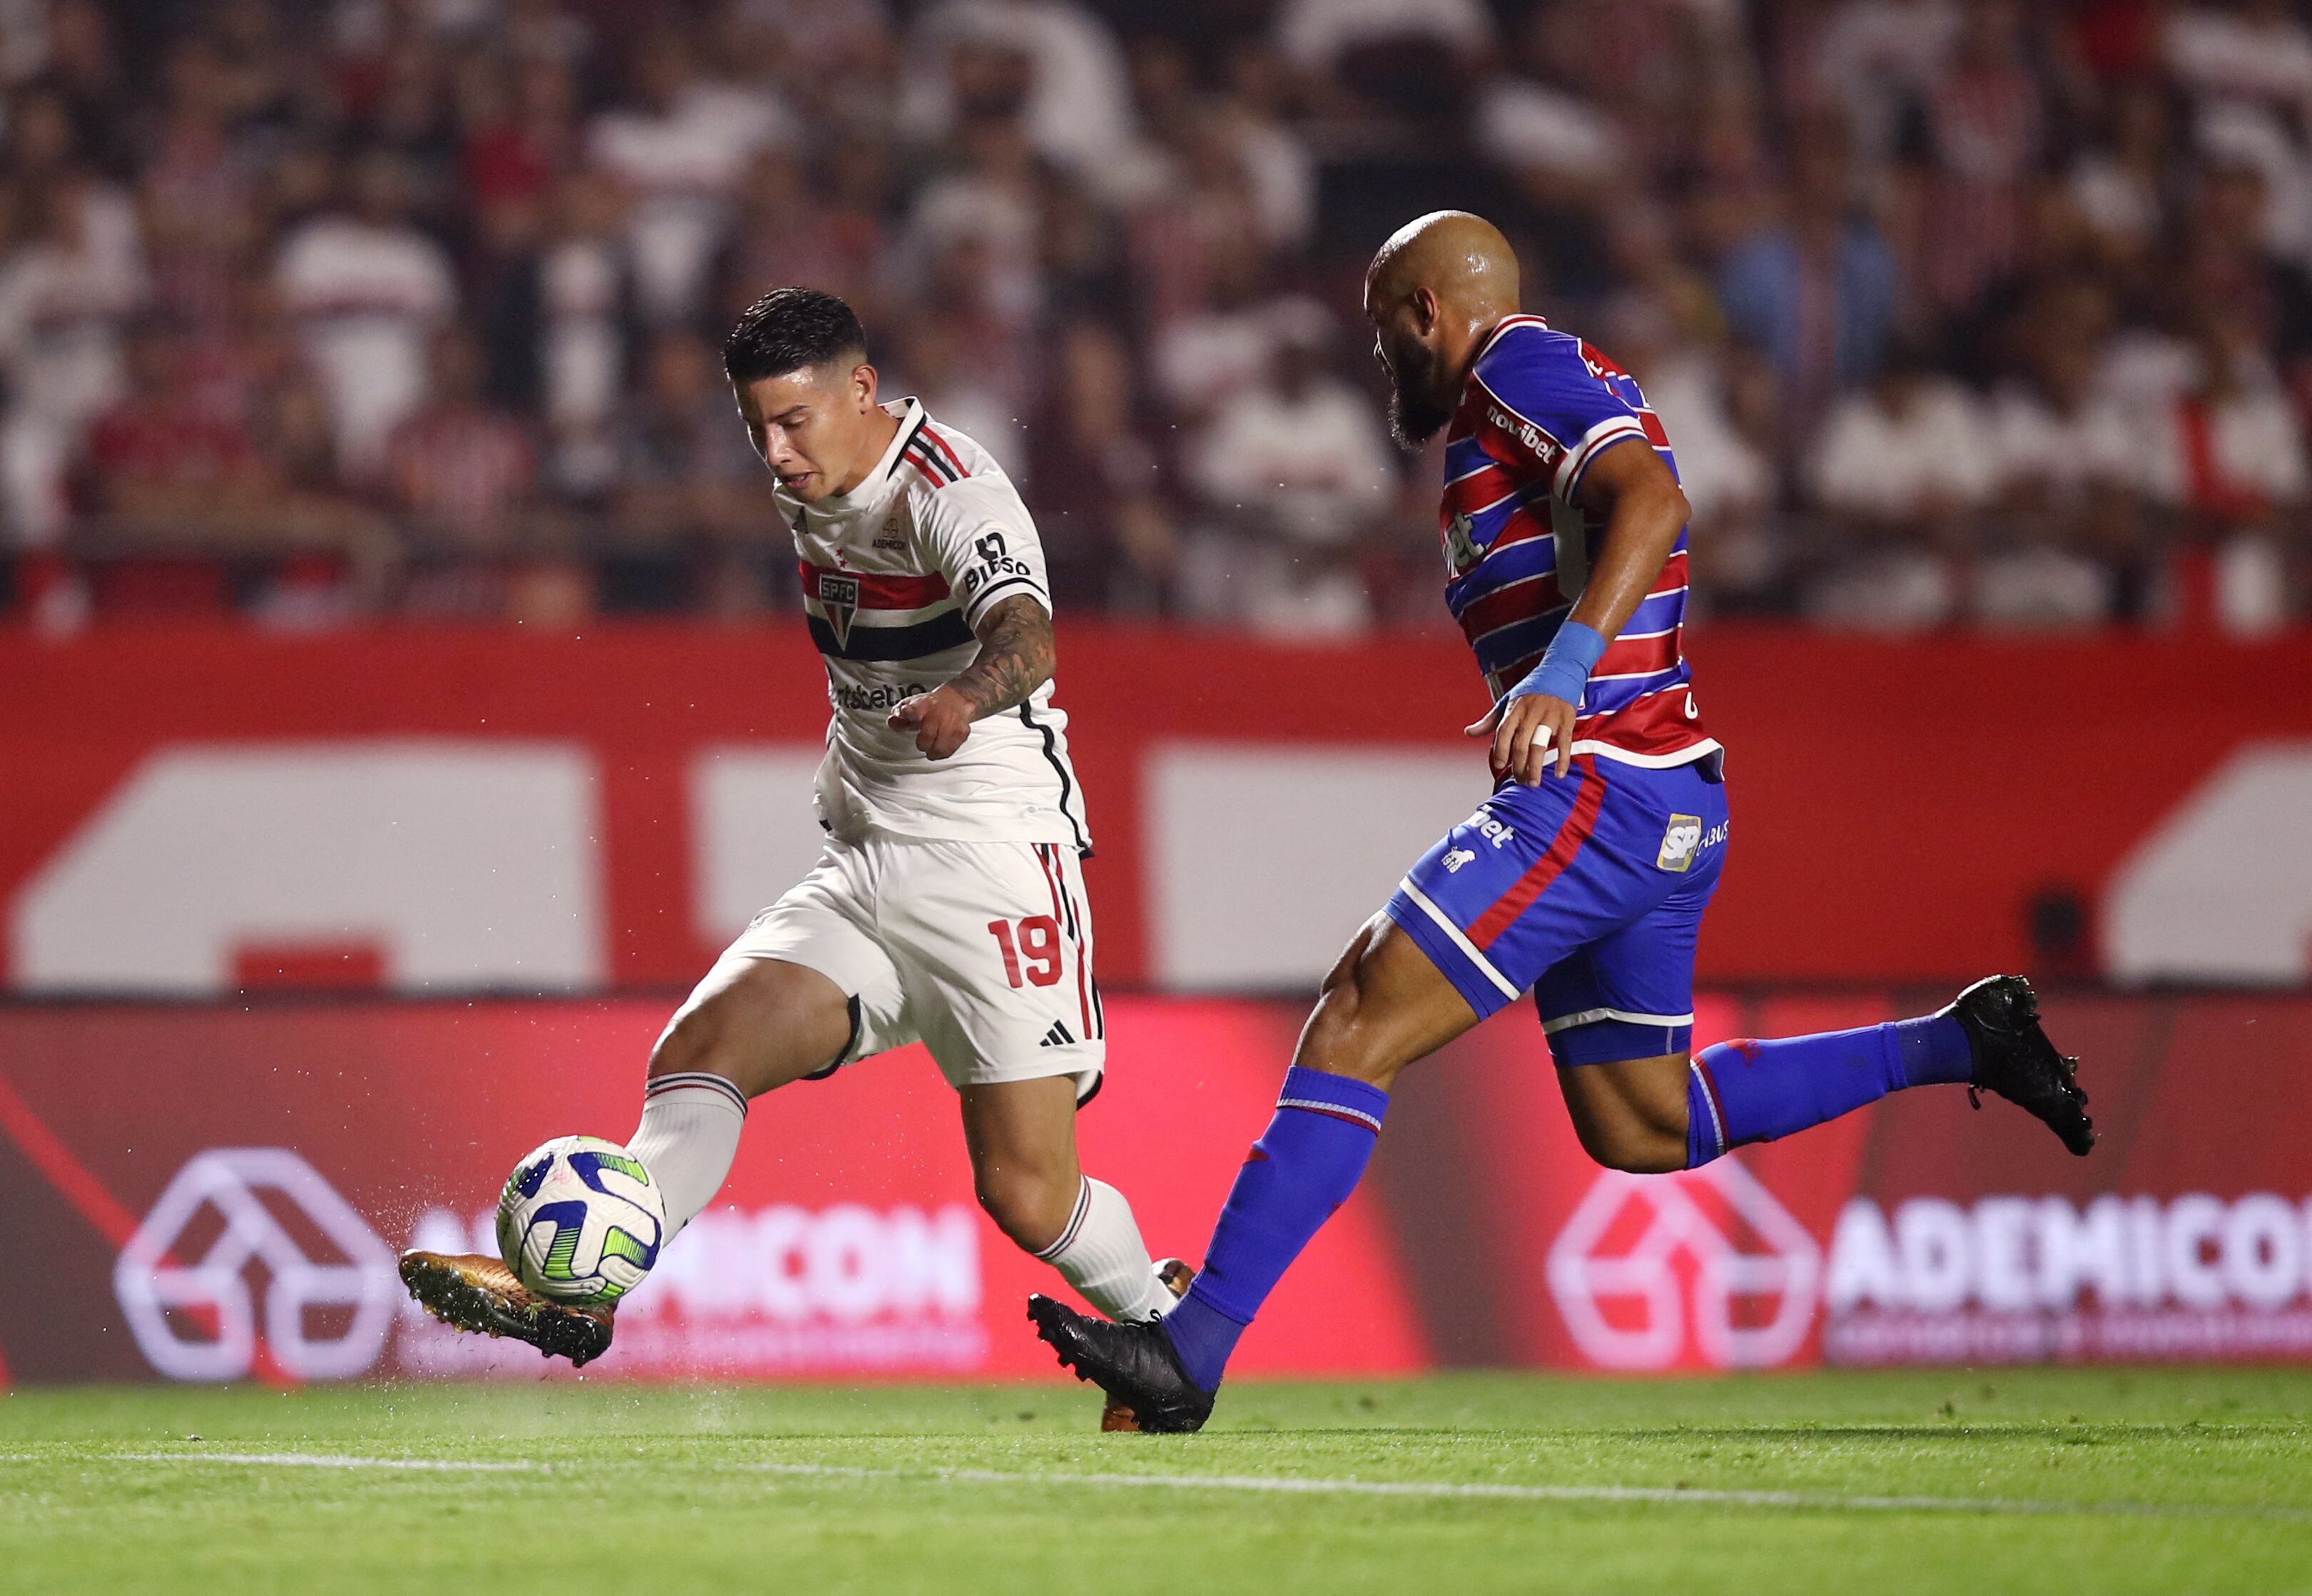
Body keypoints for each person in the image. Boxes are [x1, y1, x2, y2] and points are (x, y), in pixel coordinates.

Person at [1025, 212, 2094, 1433]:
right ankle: (1960, 1042)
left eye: (1388, 339)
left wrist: (1563, 671)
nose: (1387, 369)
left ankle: (1192, 1351)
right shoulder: (1510, 411)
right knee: (1643, 1120)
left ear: (1429, 312)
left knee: (1359, 1013)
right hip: (1671, 794)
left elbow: (1652, 496)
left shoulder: (1513, 370)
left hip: (1607, 783)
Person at [402, 288, 1185, 1386]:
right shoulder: (813, 475)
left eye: (793, 423)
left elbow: (1027, 630)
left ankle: (1170, 1326)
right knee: (700, 1051)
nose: (774, 452)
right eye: (755, 427)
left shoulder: (950, 488)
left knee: (1026, 1191)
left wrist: (968, 694)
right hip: (867, 858)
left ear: (862, 392)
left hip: (992, 859)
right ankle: (581, 1296)